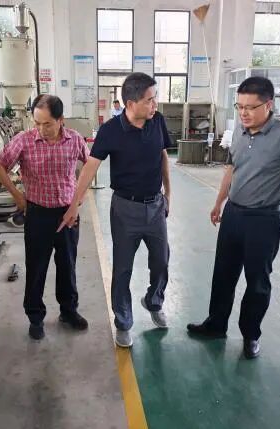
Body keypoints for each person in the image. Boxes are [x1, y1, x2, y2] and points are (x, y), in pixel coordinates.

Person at [187, 77, 280, 359]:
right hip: (234, 214)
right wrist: (219, 201)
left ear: (269, 105)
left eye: (250, 107)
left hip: (263, 219)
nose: (244, 113)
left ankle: (251, 335)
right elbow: (232, 169)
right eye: (239, 106)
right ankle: (216, 324)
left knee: (257, 281)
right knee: (223, 274)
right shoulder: (239, 132)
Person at [59, 73, 172, 348]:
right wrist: (74, 204)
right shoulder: (110, 130)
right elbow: (90, 167)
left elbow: (162, 155)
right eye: (150, 100)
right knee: (122, 269)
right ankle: (123, 321)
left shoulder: (157, 121)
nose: (155, 104)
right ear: (131, 103)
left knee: (161, 261)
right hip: (125, 209)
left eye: (155, 98)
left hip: (155, 206)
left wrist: (168, 193)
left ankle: (153, 301)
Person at [0, 94, 89, 340]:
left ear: (61, 120)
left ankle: (68, 311)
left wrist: (78, 201)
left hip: (67, 214)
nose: (41, 129)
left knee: (67, 265)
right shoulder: (24, 140)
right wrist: (17, 196)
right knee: (36, 267)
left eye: (47, 124)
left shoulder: (75, 140)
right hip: (37, 214)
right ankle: (35, 317)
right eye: (37, 123)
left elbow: (90, 166)